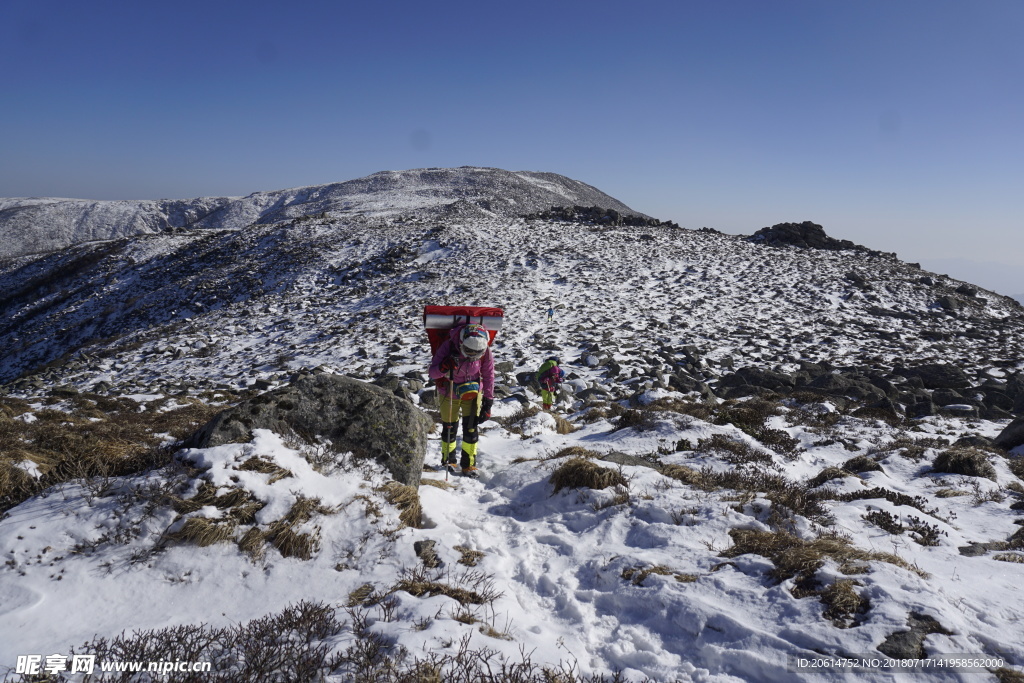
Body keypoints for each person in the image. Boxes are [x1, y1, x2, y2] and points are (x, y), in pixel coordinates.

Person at [428, 323, 495, 475]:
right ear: (462, 343)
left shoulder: (486, 351)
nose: (472, 356)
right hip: (448, 392)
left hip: (472, 394)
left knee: (471, 429)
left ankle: (469, 465)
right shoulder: (449, 346)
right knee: (449, 427)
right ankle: (448, 461)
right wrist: (444, 367)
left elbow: (489, 375)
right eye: (469, 352)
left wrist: (488, 400)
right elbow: (432, 373)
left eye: (476, 353)